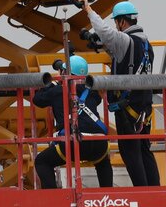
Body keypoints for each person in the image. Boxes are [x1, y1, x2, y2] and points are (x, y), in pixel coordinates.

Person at [74, 0, 160, 187]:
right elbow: (124, 57)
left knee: (130, 152)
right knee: (144, 149)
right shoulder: (146, 44)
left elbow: (104, 31)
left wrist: (88, 9)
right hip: (144, 106)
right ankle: (155, 190)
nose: (116, 25)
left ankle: (143, 192)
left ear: (122, 21)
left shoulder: (124, 39)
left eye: (116, 22)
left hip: (127, 107)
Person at [34, 55, 113, 189]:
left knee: (42, 161)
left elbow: (38, 99)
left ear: (65, 73)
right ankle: (108, 195)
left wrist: (49, 85)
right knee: (103, 162)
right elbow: (97, 99)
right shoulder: (92, 92)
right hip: (99, 142)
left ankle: (53, 198)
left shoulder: (57, 91)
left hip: (73, 142)